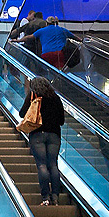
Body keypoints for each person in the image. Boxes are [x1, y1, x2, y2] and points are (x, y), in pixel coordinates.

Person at [21, 77, 65, 205]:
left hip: (37, 135)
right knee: (53, 164)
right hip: (54, 135)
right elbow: (61, 121)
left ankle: (45, 197)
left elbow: (22, 113)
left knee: (42, 165)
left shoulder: (33, 96)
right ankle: (55, 197)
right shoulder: (56, 98)